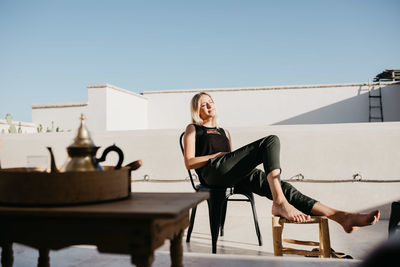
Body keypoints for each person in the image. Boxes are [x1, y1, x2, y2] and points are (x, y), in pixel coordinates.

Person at [183, 92, 380, 233]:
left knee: (284, 187)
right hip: (211, 174)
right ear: (197, 110)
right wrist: (215, 156)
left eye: (211, 102)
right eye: (203, 104)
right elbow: (189, 162)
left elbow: (233, 158)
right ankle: (279, 203)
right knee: (270, 141)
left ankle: (341, 216)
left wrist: (231, 160)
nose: (209, 105)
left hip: (229, 173)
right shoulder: (193, 129)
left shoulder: (224, 132)